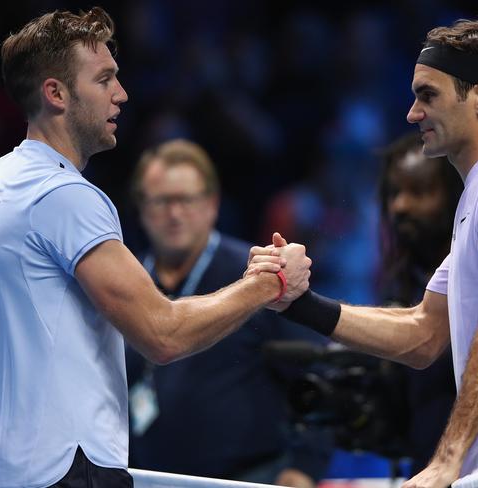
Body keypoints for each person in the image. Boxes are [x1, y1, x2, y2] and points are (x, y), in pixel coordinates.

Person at [0, 8, 310, 488]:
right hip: (64, 472)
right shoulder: (66, 197)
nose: (121, 95)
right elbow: (162, 336)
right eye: (104, 80)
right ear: (55, 93)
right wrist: (269, 282)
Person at [249, 19, 478, 488]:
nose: (412, 113)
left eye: (428, 95)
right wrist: (300, 303)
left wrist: (447, 459)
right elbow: (423, 334)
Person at [125, 139, 332, 487]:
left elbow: (318, 373)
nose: (174, 214)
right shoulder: (125, 283)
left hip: (248, 478)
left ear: (212, 205)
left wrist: (304, 467)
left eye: (186, 200)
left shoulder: (257, 276)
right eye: (161, 201)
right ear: (141, 208)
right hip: (144, 478)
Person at [377, 132, 462, 473]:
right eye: (394, 193)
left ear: (454, 196)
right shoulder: (403, 285)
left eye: (419, 191)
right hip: (423, 470)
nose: (400, 206)